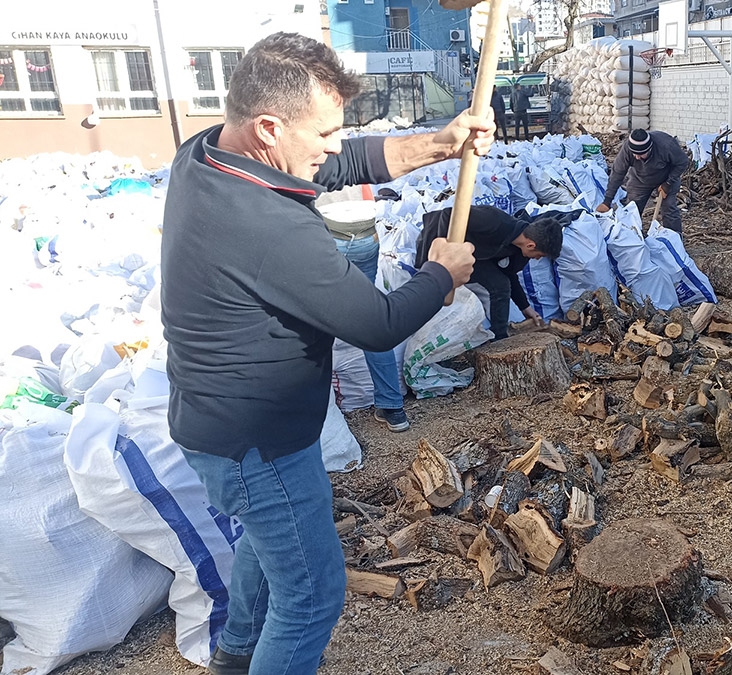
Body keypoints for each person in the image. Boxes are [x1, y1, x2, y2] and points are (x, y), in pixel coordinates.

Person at [160, 32, 492, 675]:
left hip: (222, 427)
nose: (335, 146)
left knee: (267, 547)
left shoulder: (204, 154)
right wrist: (441, 273)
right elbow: (376, 323)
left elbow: (341, 165)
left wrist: (441, 143)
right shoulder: (268, 226)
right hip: (259, 442)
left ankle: (234, 657)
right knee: (312, 597)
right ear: (268, 127)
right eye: (324, 132)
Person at [314, 186, 410, 431]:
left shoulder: (303, 162)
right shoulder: (351, 162)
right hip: (366, 236)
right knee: (369, 319)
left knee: (313, 319)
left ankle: (313, 410)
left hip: (328, 235)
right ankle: (393, 408)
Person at [415, 205, 562, 339]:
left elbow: (509, 275)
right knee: (438, 290)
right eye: (540, 255)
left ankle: (500, 338)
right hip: (435, 241)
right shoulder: (494, 222)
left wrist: (525, 307)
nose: (537, 259)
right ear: (531, 245)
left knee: (500, 284)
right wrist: (445, 257)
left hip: (473, 254)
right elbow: (448, 214)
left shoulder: (519, 252)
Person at [596, 128, 689, 234]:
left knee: (669, 207)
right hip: (640, 179)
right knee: (633, 208)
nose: (637, 157)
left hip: (666, 177)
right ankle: (633, 236)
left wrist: (668, 182)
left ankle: (674, 237)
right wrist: (607, 201)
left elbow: (682, 162)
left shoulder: (666, 145)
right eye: (634, 154)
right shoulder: (627, 149)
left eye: (640, 154)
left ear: (649, 149)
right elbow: (617, 174)